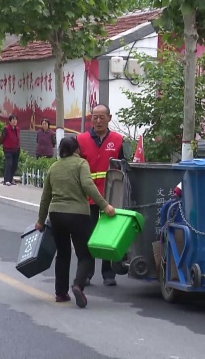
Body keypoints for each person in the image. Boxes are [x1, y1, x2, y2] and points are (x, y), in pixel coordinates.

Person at [35, 137, 116, 308]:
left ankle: (61, 293)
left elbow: (45, 197)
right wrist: (105, 205)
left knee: (63, 254)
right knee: (85, 254)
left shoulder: (53, 167)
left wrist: (40, 221)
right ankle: (78, 285)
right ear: (76, 149)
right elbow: (88, 185)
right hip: (78, 215)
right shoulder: (81, 164)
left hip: (56, 215)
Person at [77, 104, 125, 287]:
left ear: (109, 118)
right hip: (87, 196)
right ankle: (87, 273)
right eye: (94, 117)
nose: (98, 121)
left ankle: (108, 273)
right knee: (88, 235)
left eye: (101, 117)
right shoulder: (80, 140)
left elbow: (123, 168)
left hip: (111, 196)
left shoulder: (118, 140)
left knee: (108, 236)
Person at [0, 114, 20, 186]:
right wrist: (2, 144)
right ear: (10, 121)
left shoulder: (17, 129)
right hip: (8, 149)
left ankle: (11, 179)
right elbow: (2, 138)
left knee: (14, 165)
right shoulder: (6, 129)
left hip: (16, 149)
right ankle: (6, 180)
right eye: (13, 120)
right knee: (9, 164)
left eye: (16, 120)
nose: (15, 121)